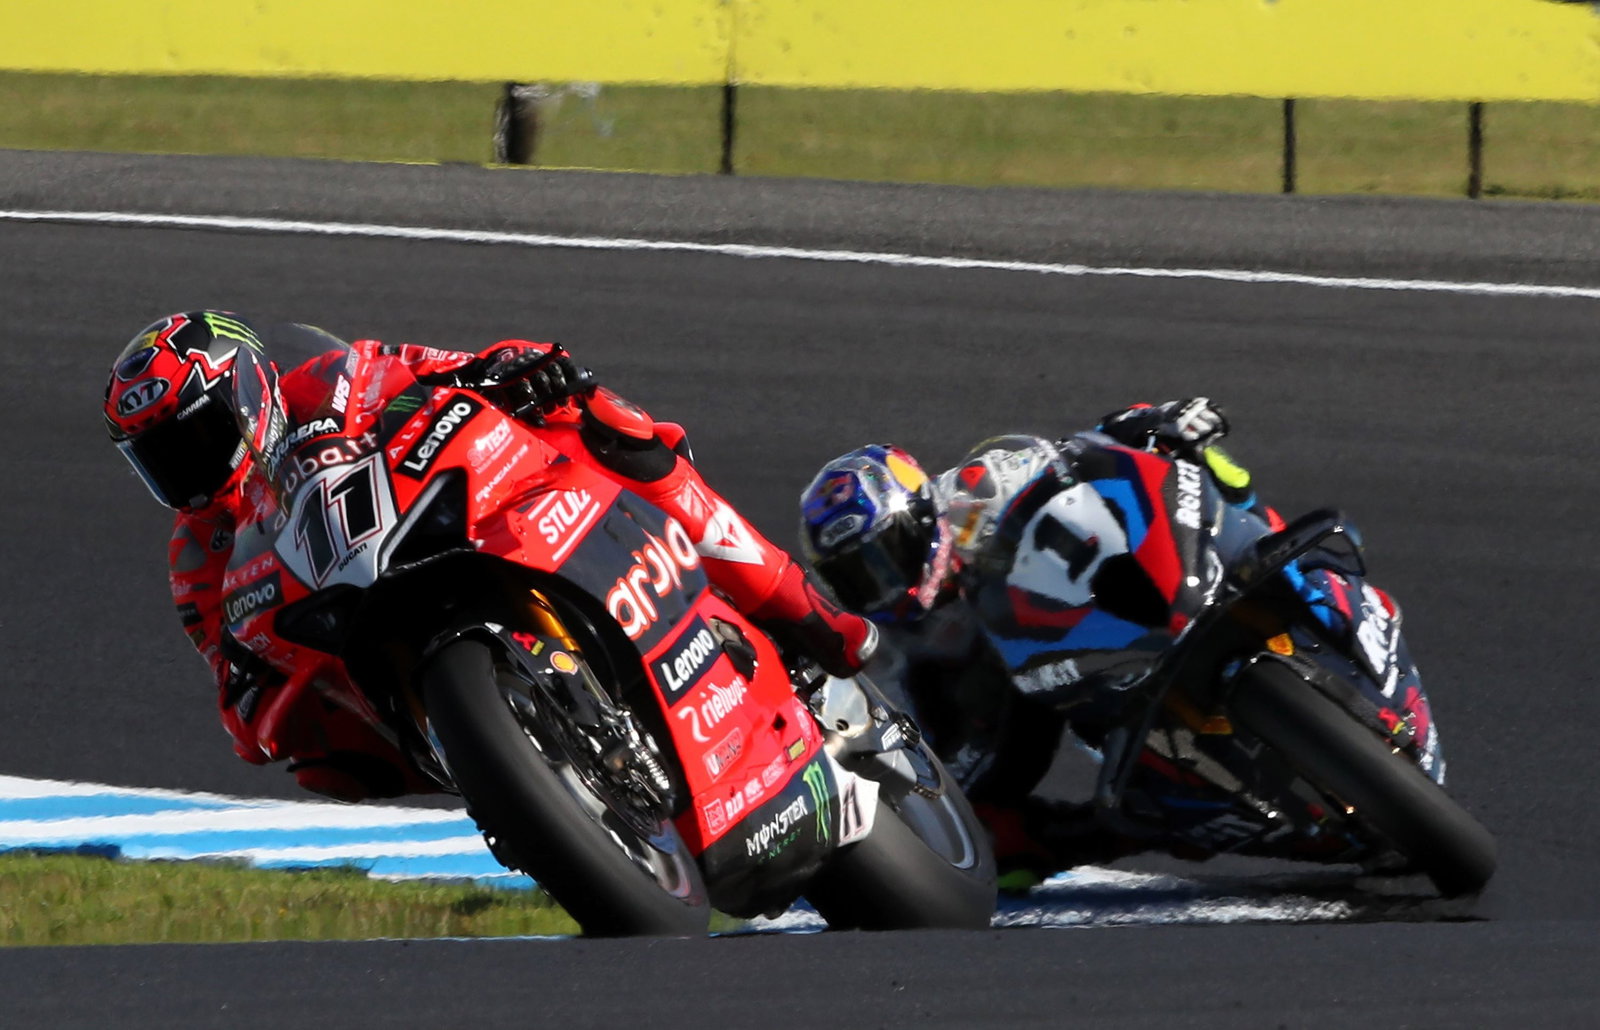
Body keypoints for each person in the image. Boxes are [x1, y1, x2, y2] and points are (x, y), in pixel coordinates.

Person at [104, 310, 876, 802]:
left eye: (195, 438)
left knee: (599, 419)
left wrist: (512, 366)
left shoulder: (325, 379)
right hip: (360, 630)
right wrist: (247, 688)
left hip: (446, 520)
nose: (187, 473)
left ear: (245, 391)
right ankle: (520, 780)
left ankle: (802, 612)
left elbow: (437, 367)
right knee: (326, 768)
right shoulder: (196, 557)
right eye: (160, 461)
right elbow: (230, 688)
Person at [797, 399, 1312, 887]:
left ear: (920, 512)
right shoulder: (897, 643)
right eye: (862, 577)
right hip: (1050, 681)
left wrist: (1158, 421)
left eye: (888, 554)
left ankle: (1290, 562)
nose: (886, 582)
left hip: (1113, 593)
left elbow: (1085, 448)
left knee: (1209, 465)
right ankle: (1147, 819)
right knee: (996, 842)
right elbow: (935, 745)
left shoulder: (977, 486)